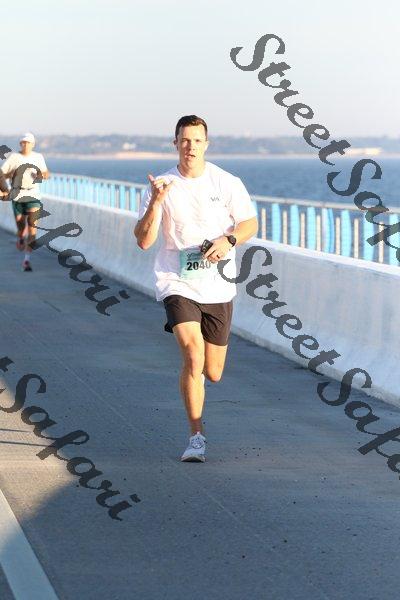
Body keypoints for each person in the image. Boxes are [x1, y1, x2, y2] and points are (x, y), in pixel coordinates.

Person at [134, 115, 258, 462]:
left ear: (207, 144)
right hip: (177, 281)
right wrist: (156, 203)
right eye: (185, 140)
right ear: (175, 143)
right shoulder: (161, 186)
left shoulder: (227, 182)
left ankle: (198, 380)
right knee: (192, 354)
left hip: (218, 286)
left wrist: (228, 239)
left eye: (197, 140)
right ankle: (196, 437)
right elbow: (144, 241)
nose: (191, 146)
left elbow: (249, 223)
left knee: (213, 372)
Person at [0, 132, 50, 271]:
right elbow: (2, 173)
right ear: (20, 144)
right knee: (21, 225)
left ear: (33, 144)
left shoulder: (38, 157)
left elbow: (46, 174)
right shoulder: (14, 157)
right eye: (23, 142)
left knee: (32, 228)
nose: (25, 145)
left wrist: (40, 175)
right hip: (17, 195)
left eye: (28, 142)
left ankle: (26, 260)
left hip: (33, 195)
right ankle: (21, 236)